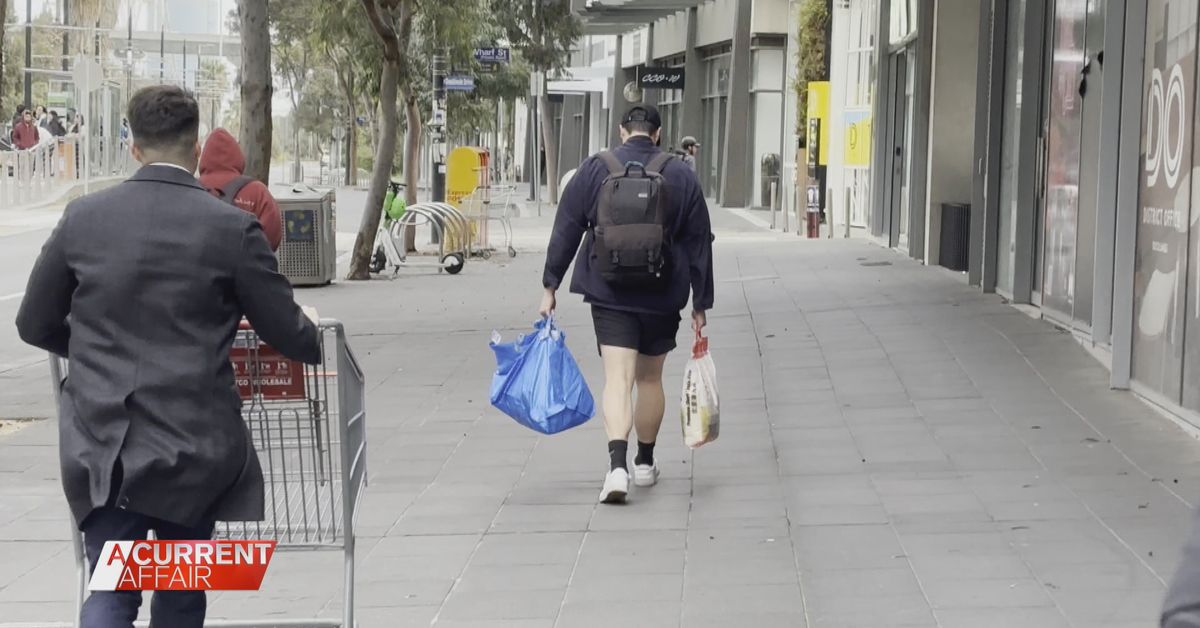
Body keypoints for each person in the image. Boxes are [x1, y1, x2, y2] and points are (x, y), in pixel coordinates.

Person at [15, 85, 322, 628]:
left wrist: (96, 352)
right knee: (180, 590)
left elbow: (33, 323)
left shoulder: (84, 218)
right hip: (194, 449)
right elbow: (292, 336)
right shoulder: (231, 228)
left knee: (111, 587)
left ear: (133, 145)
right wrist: (313, 332)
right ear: (196, 144)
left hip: (102, 447)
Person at [540, 103, 714, 504]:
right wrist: (700, 302)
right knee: (649, 380)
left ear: (622, 132)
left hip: (609, 291)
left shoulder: (595, 168)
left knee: (617, 379)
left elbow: (566, 226)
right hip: (662, 293)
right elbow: (700, 241)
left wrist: (550, 285)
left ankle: (616, 468)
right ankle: (645, 463)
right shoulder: (681, 173)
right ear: (657, 133)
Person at [199, 128, 283, 251]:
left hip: (197, 268)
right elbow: (272, 237)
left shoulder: (190, 187)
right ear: (237, 155)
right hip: (248, 268)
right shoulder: (258, 192)